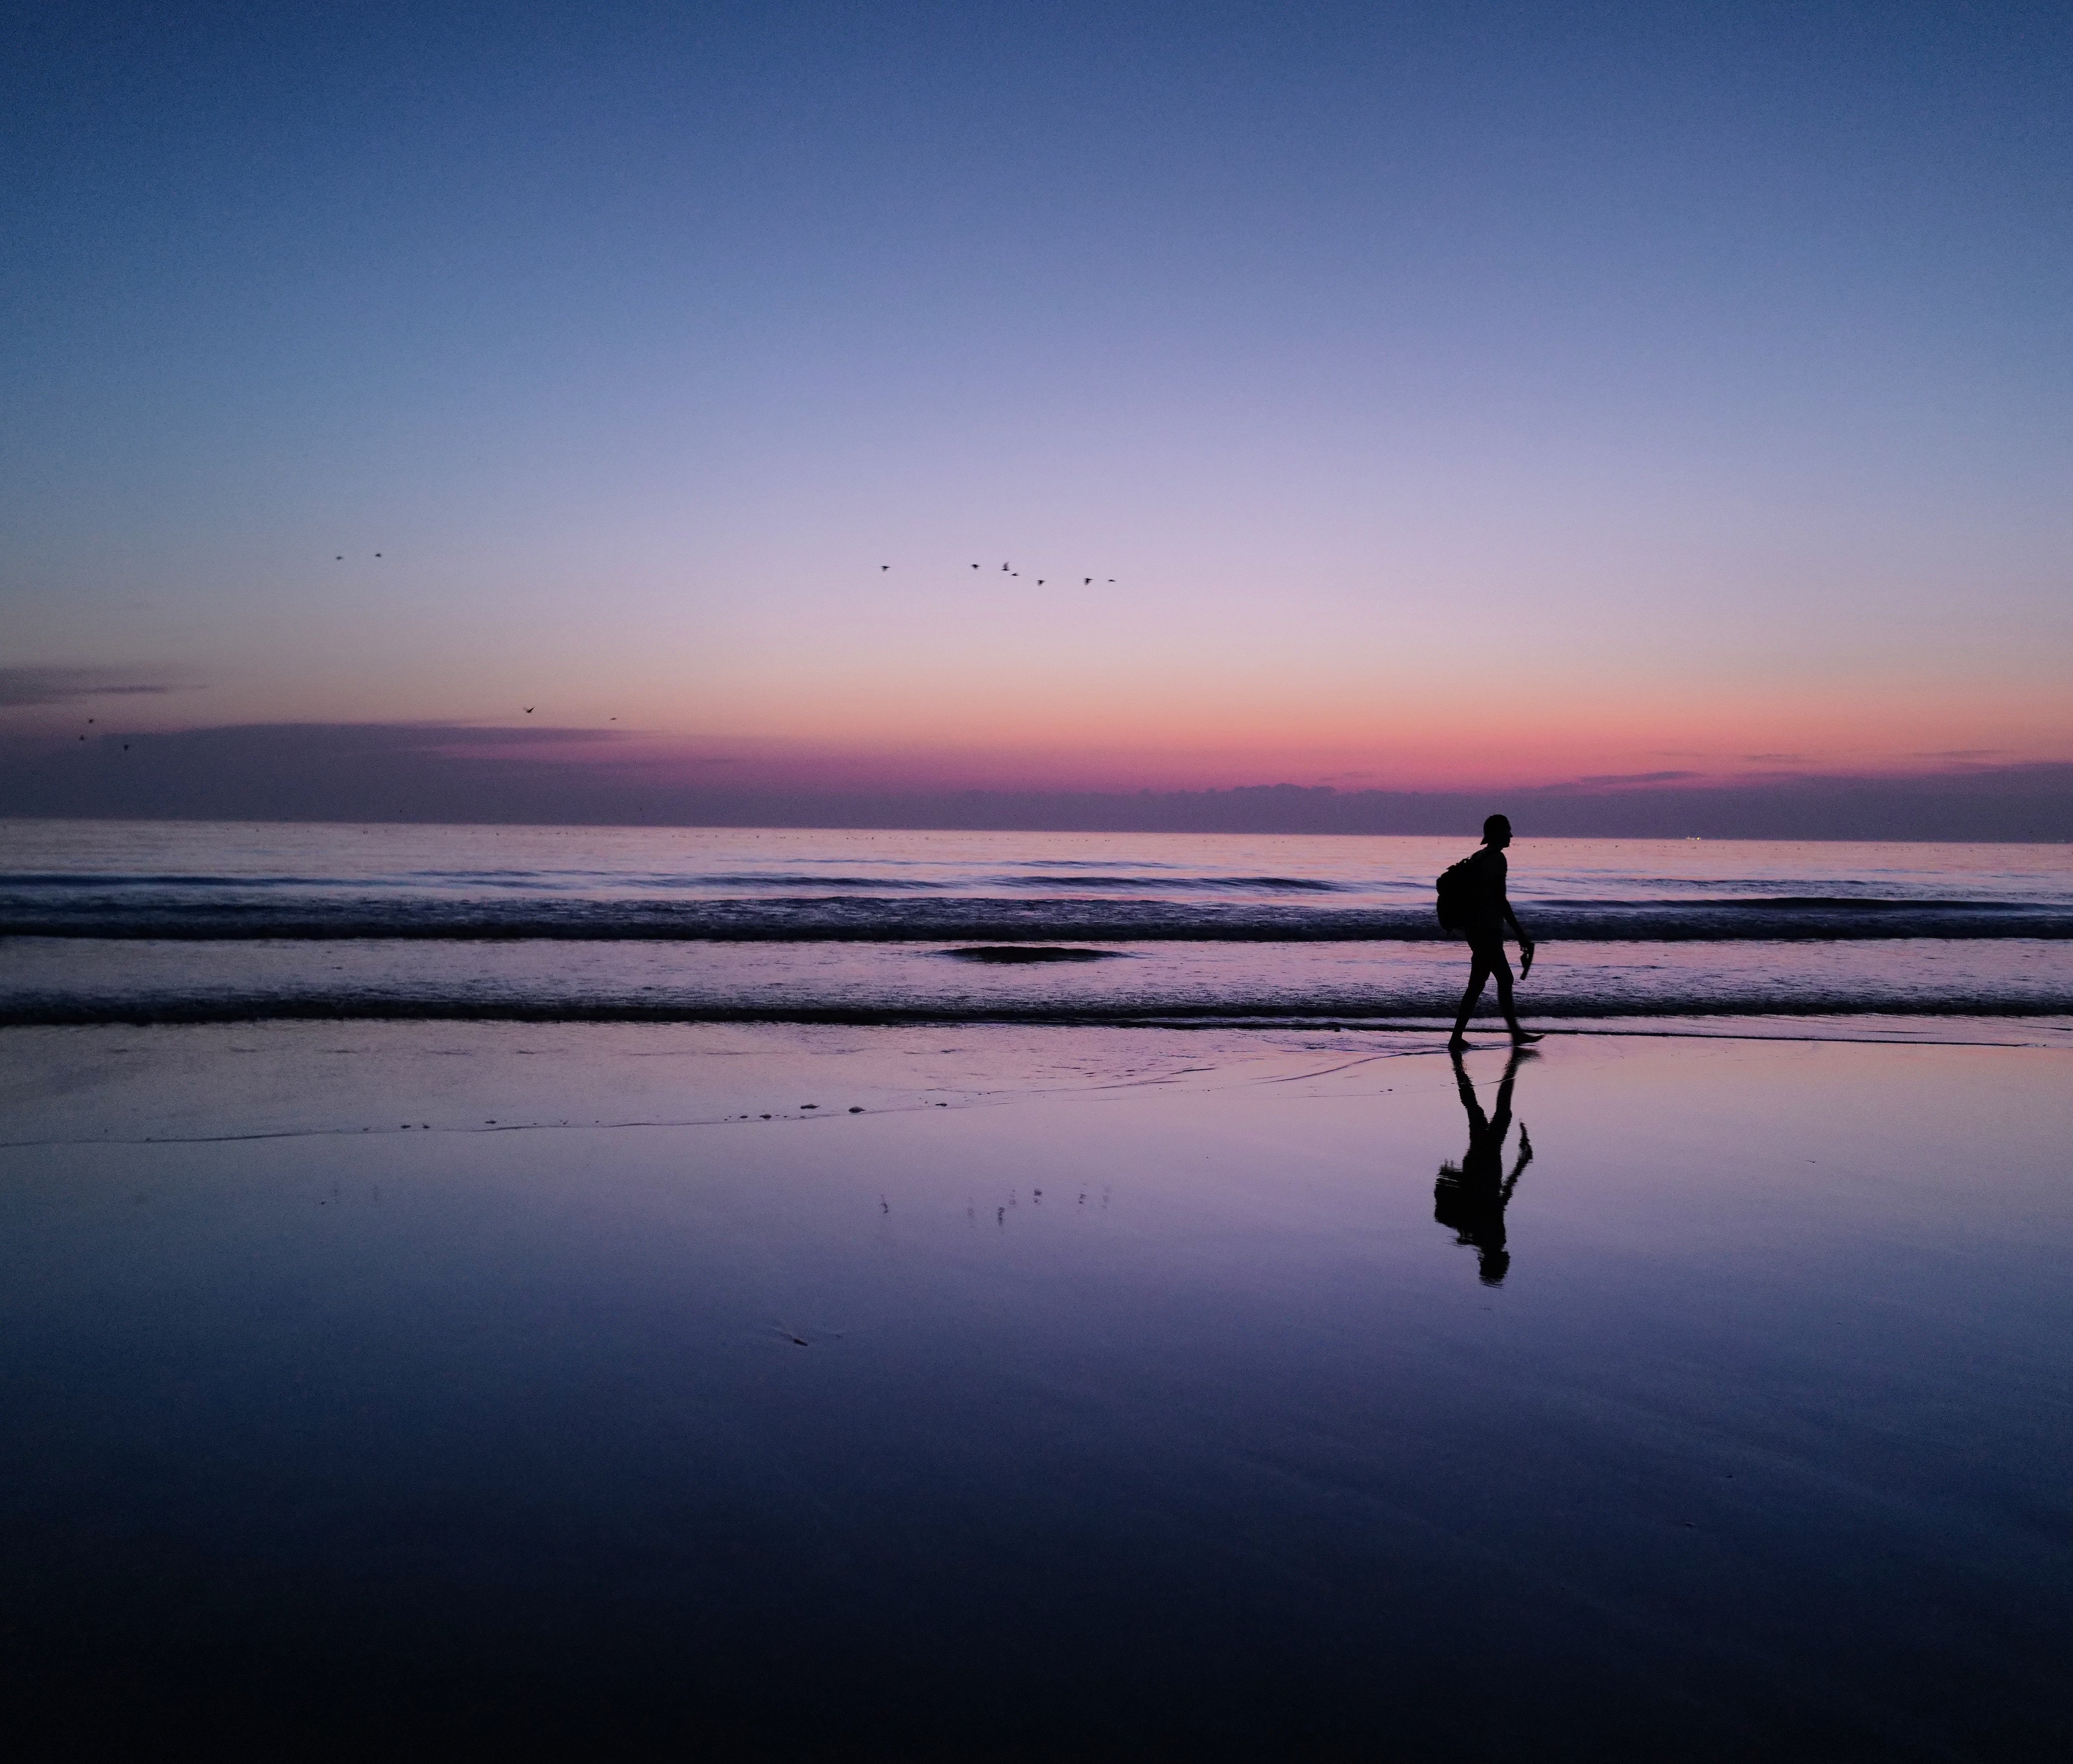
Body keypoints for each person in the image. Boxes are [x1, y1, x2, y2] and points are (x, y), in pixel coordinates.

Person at [1433, 1043, 1535, 1285]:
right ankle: (1463, 1070)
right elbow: (1501, 1200)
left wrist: (1521, 1164)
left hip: (1486, 1167)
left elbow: (1501, 1200)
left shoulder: (1490, 1238)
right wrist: (1521, 1164)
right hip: (1480, 1167)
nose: (1508, 1262)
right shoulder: (1477, 1238)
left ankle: (1507, 1067)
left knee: (1494, 1114)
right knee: (1479, 1112)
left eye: (1503, 1265)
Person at [1448, 813, 1540, 1048]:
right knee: (1503, 979)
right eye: (1508, 830)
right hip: (1487, 930)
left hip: (1475, 929)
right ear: (1499, 833)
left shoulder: (1479, 856)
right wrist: (1521, 935)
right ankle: (1514, 1034)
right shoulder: (1497, 859)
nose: (1511, 835)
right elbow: (1501, 900)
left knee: (1478, 984)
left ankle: (1456, 1038)